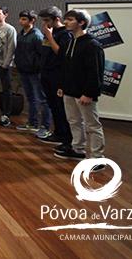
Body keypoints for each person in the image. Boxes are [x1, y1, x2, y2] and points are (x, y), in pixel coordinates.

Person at [55, 9, 105, 167]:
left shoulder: (92, 45)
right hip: (69, 91)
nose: (66, 22)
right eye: (66, 19)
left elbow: (95, 71)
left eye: (70, 19)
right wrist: (62, 85)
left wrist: (89, 93)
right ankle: (77, 149)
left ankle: (97, 157)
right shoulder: (70, 42)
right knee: (74, 121)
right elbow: (66, 67)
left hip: (84, 93)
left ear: (81, 22)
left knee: (92, 125)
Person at [37, 6, 74, 146]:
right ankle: (58, 133)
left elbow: (61, 54)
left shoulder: (65, 34)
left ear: (57, 19)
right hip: (46, 73)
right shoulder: (49, 32)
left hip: (57, 75)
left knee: (60, 107)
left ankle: (66, 137)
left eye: (47, 20)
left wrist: (50, 36)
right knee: (53, 105)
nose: (45, 24)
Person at [14, 10, 50, 134]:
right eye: (21, 19)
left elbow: (42, 55)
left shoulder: (37, 35)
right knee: (31, 98)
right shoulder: (21, 34)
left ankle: (45, 126)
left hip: (35, 72)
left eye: (24, 19)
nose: (21, 21)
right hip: (24, 70)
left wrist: (37, 68)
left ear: (32, 20)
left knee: (42, 99)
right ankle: (32, 123)